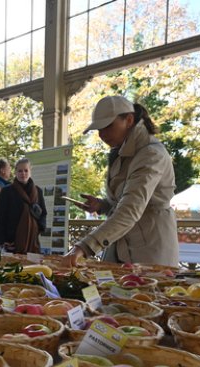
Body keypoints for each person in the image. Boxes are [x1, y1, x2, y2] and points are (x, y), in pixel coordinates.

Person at [64, 96, 179, 267]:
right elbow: (123, 203)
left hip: (148, 253)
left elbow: (130, 210)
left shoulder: (151, 154)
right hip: (119, 248)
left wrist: (85, 246)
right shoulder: (121, 152)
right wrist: (102, 205)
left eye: (107, 126)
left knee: (145, 294)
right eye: (98, 129)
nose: (102, 134)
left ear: (129, 120)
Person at [0, 158, 47, 254]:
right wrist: (2, 240)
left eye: (26, 170)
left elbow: (43, 213)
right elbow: (0, 217)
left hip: (33, 241)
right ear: (15, 172)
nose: (23, 173)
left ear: (30, 171)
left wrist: (39, 228)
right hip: (12, 242)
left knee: (32, 268)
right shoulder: (7, 191)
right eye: (20, 171)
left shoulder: (38, 191)